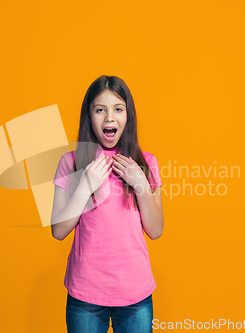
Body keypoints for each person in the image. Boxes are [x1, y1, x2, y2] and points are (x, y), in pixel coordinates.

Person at [50, 75, 164, 333]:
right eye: (100, 109)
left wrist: (140, 184)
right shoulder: (71, 162)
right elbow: (58, 231)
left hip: (136, 294)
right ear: (89, 116)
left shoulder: (146, 163)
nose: (109, 117)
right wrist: (84, 187)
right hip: (85, 296)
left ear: (128, 115)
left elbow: (156, 231)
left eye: (118, 109)